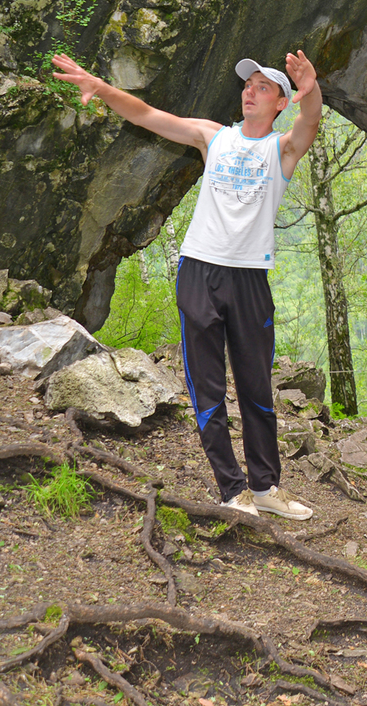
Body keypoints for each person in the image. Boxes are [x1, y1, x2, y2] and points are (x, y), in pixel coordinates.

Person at [51, 51, 321, 520]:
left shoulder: (281, 150)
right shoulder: (212, 136)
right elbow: (150, 116)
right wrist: (102, 86)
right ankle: (231, 489)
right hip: (200, 271)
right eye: (246, 84)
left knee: (257, 387)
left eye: (262, 86)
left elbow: (309, 124)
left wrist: (310, 89)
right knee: (207, 388)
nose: (249, 91)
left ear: (280, 102)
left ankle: (265, 487)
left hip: (250, 278)